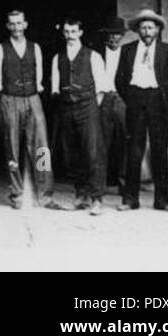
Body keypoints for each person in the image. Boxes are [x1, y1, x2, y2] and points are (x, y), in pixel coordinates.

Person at [0, 10, 56, 209]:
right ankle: (17, 194)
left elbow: (40, 76)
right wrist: (8, 93)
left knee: (41, 148)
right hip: (10, 99)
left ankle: (45, 195)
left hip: (33, 98)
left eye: (19, 23)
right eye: (12, 24)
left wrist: (32, 91)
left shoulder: (35, 48)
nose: (16, 27)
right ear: (8, 26)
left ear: (25, 24)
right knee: (12, 148)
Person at [115, 8, 168, 211]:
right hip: (136, 100)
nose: (147, 31)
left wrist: (165, 102)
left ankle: (162, 200)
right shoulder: (128, 50)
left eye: (151, 27)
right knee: (134, 150)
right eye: (143, 27)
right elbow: (120, 80)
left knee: (159, 151)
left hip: (157, 102)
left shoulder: (166, 50)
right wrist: (132, 98)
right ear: (137, 30)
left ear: (157, 29)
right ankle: (131, 199)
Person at [50, 15, 107, 215]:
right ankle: (81, 195)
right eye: (66, 32)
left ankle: (96, 198)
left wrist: (90, 108)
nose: (70, 35)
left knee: (92, 153)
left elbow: (101, 89)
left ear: (81, 33)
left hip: (88, 107)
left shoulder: (93, 56)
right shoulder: (58, 58)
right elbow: (55, 89)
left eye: (74, 31)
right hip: (67, 108)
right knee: (72, 154)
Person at [96, 16, 129, 202]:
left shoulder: (127, 54)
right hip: (104, 99)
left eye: (117, 34)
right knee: (102, 144)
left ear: (122, 36)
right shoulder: (97, 54)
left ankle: (125, 186)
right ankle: (99, 187)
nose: (113, 38)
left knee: (125, 143)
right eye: (110, 35)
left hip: (122, 100)